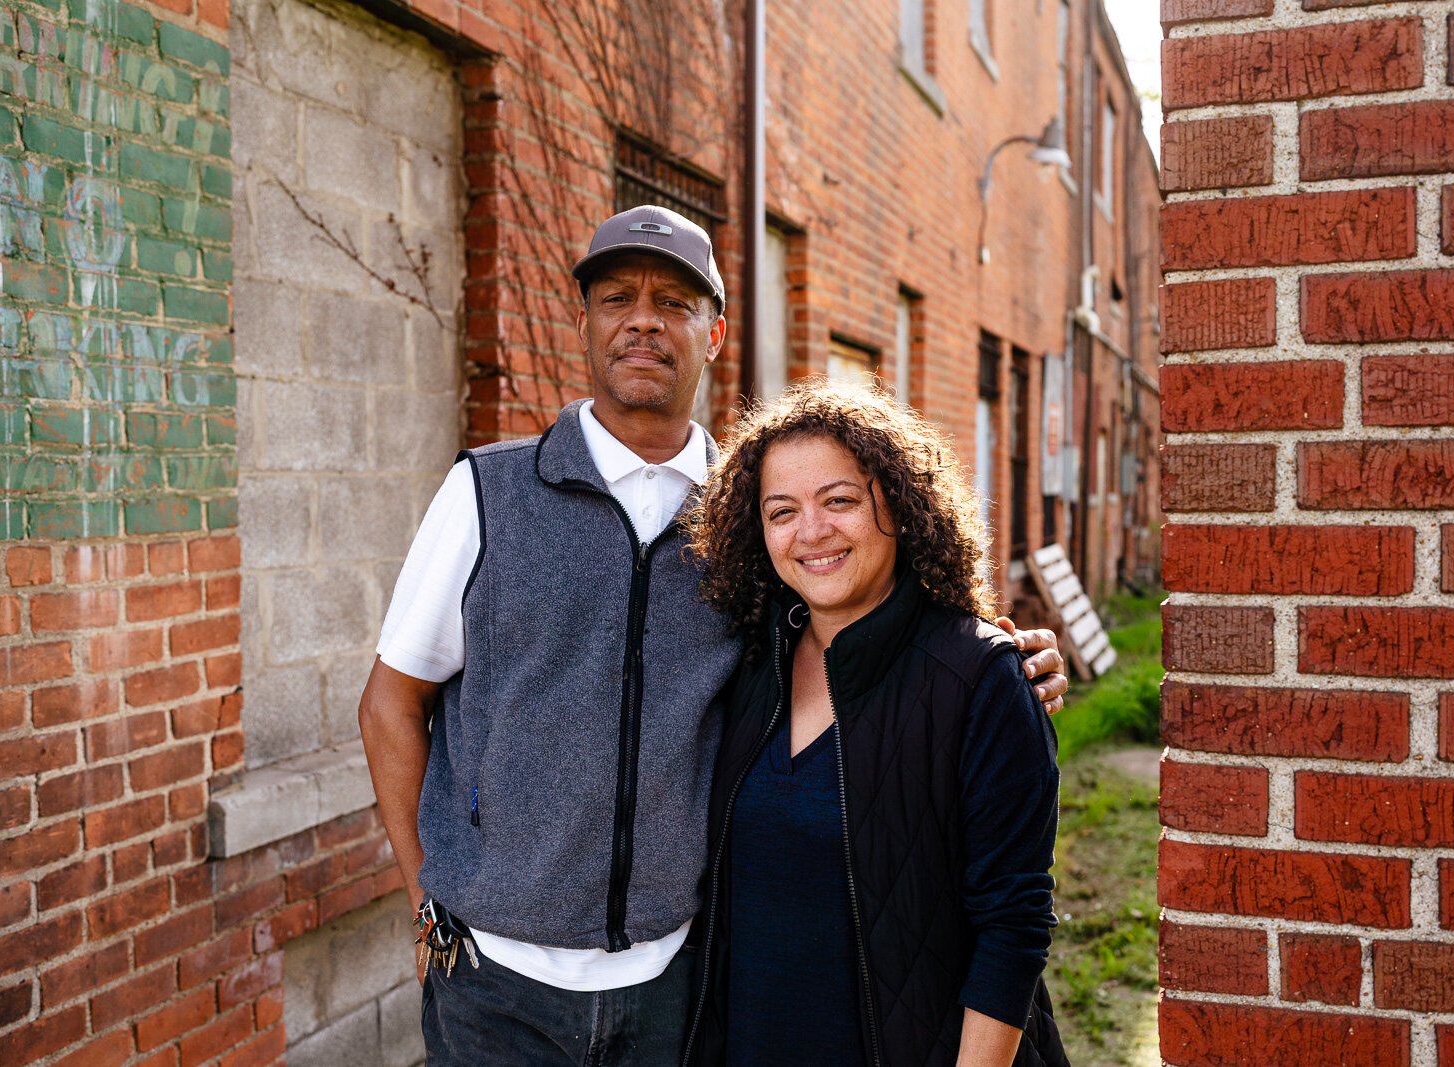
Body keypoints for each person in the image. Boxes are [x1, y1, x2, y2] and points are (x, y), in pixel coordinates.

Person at [357, 204, 1069, 1066]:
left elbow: (861, 608)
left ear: (716, 331)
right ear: (583, 320)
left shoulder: (748, 516)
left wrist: (996, 653)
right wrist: (425, 896)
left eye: (675, 302)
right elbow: (392, 701)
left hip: (678, 983)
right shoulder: (487, 494)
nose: (644, 320)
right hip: (495, 982)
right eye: (617, 297)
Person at [684, 381, 1068, 1067]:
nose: (811, 531)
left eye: (840, 500)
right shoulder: (746, 666)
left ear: (898, 503)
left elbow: (1013, 927)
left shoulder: (977, 678)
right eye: (781, 511)